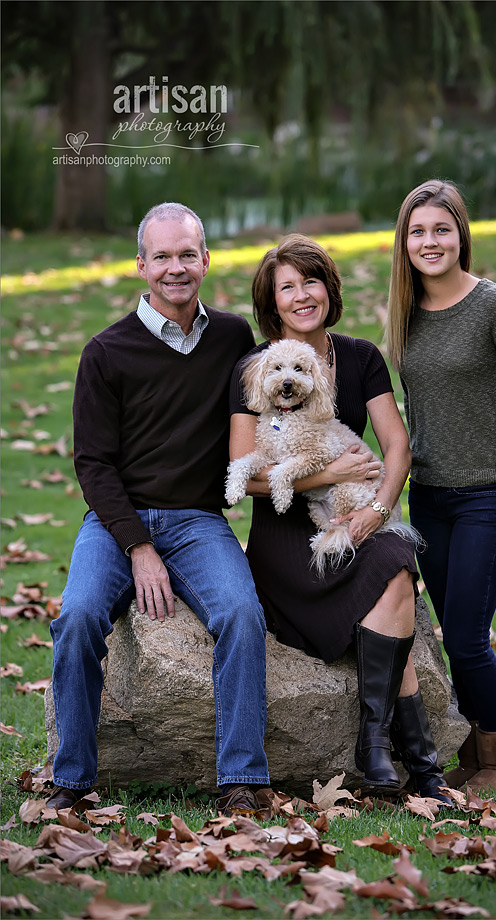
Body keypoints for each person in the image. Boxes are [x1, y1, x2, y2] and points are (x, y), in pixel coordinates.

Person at [47, 202, 271, 816]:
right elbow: (92, 464)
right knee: (79, 618)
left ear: (206, 259)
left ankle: (242, 779)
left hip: (199, 522)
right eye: (163, 257)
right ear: (141, 264)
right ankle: (71, 780)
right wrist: (137, 548)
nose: (176, 268)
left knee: (241, 616)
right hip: (118, 522)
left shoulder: (231, 338)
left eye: (187, 255)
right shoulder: (105, 352)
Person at [229, 233, 451, 804]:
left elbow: (396, 447)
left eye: (312, 281)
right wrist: (324, 476)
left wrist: (377, 509)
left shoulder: (359, 358)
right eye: (287, 287)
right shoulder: (257, 369)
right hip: (283, 540)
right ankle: (419, 763)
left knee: (396, 561)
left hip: (355, 513)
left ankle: (376, 746)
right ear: (271, 302)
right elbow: (244, 475)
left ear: (329, 288)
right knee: (391, 583)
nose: (302, 295)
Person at [387, 180, 496, 791]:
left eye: (441, 229)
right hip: (429, 497)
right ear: (404, 243)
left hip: (489, 497)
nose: (430, 241)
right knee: (452, 631)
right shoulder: (405, 313)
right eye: (418, 231)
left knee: (465, 640)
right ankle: (475, 759)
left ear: (461, 233)